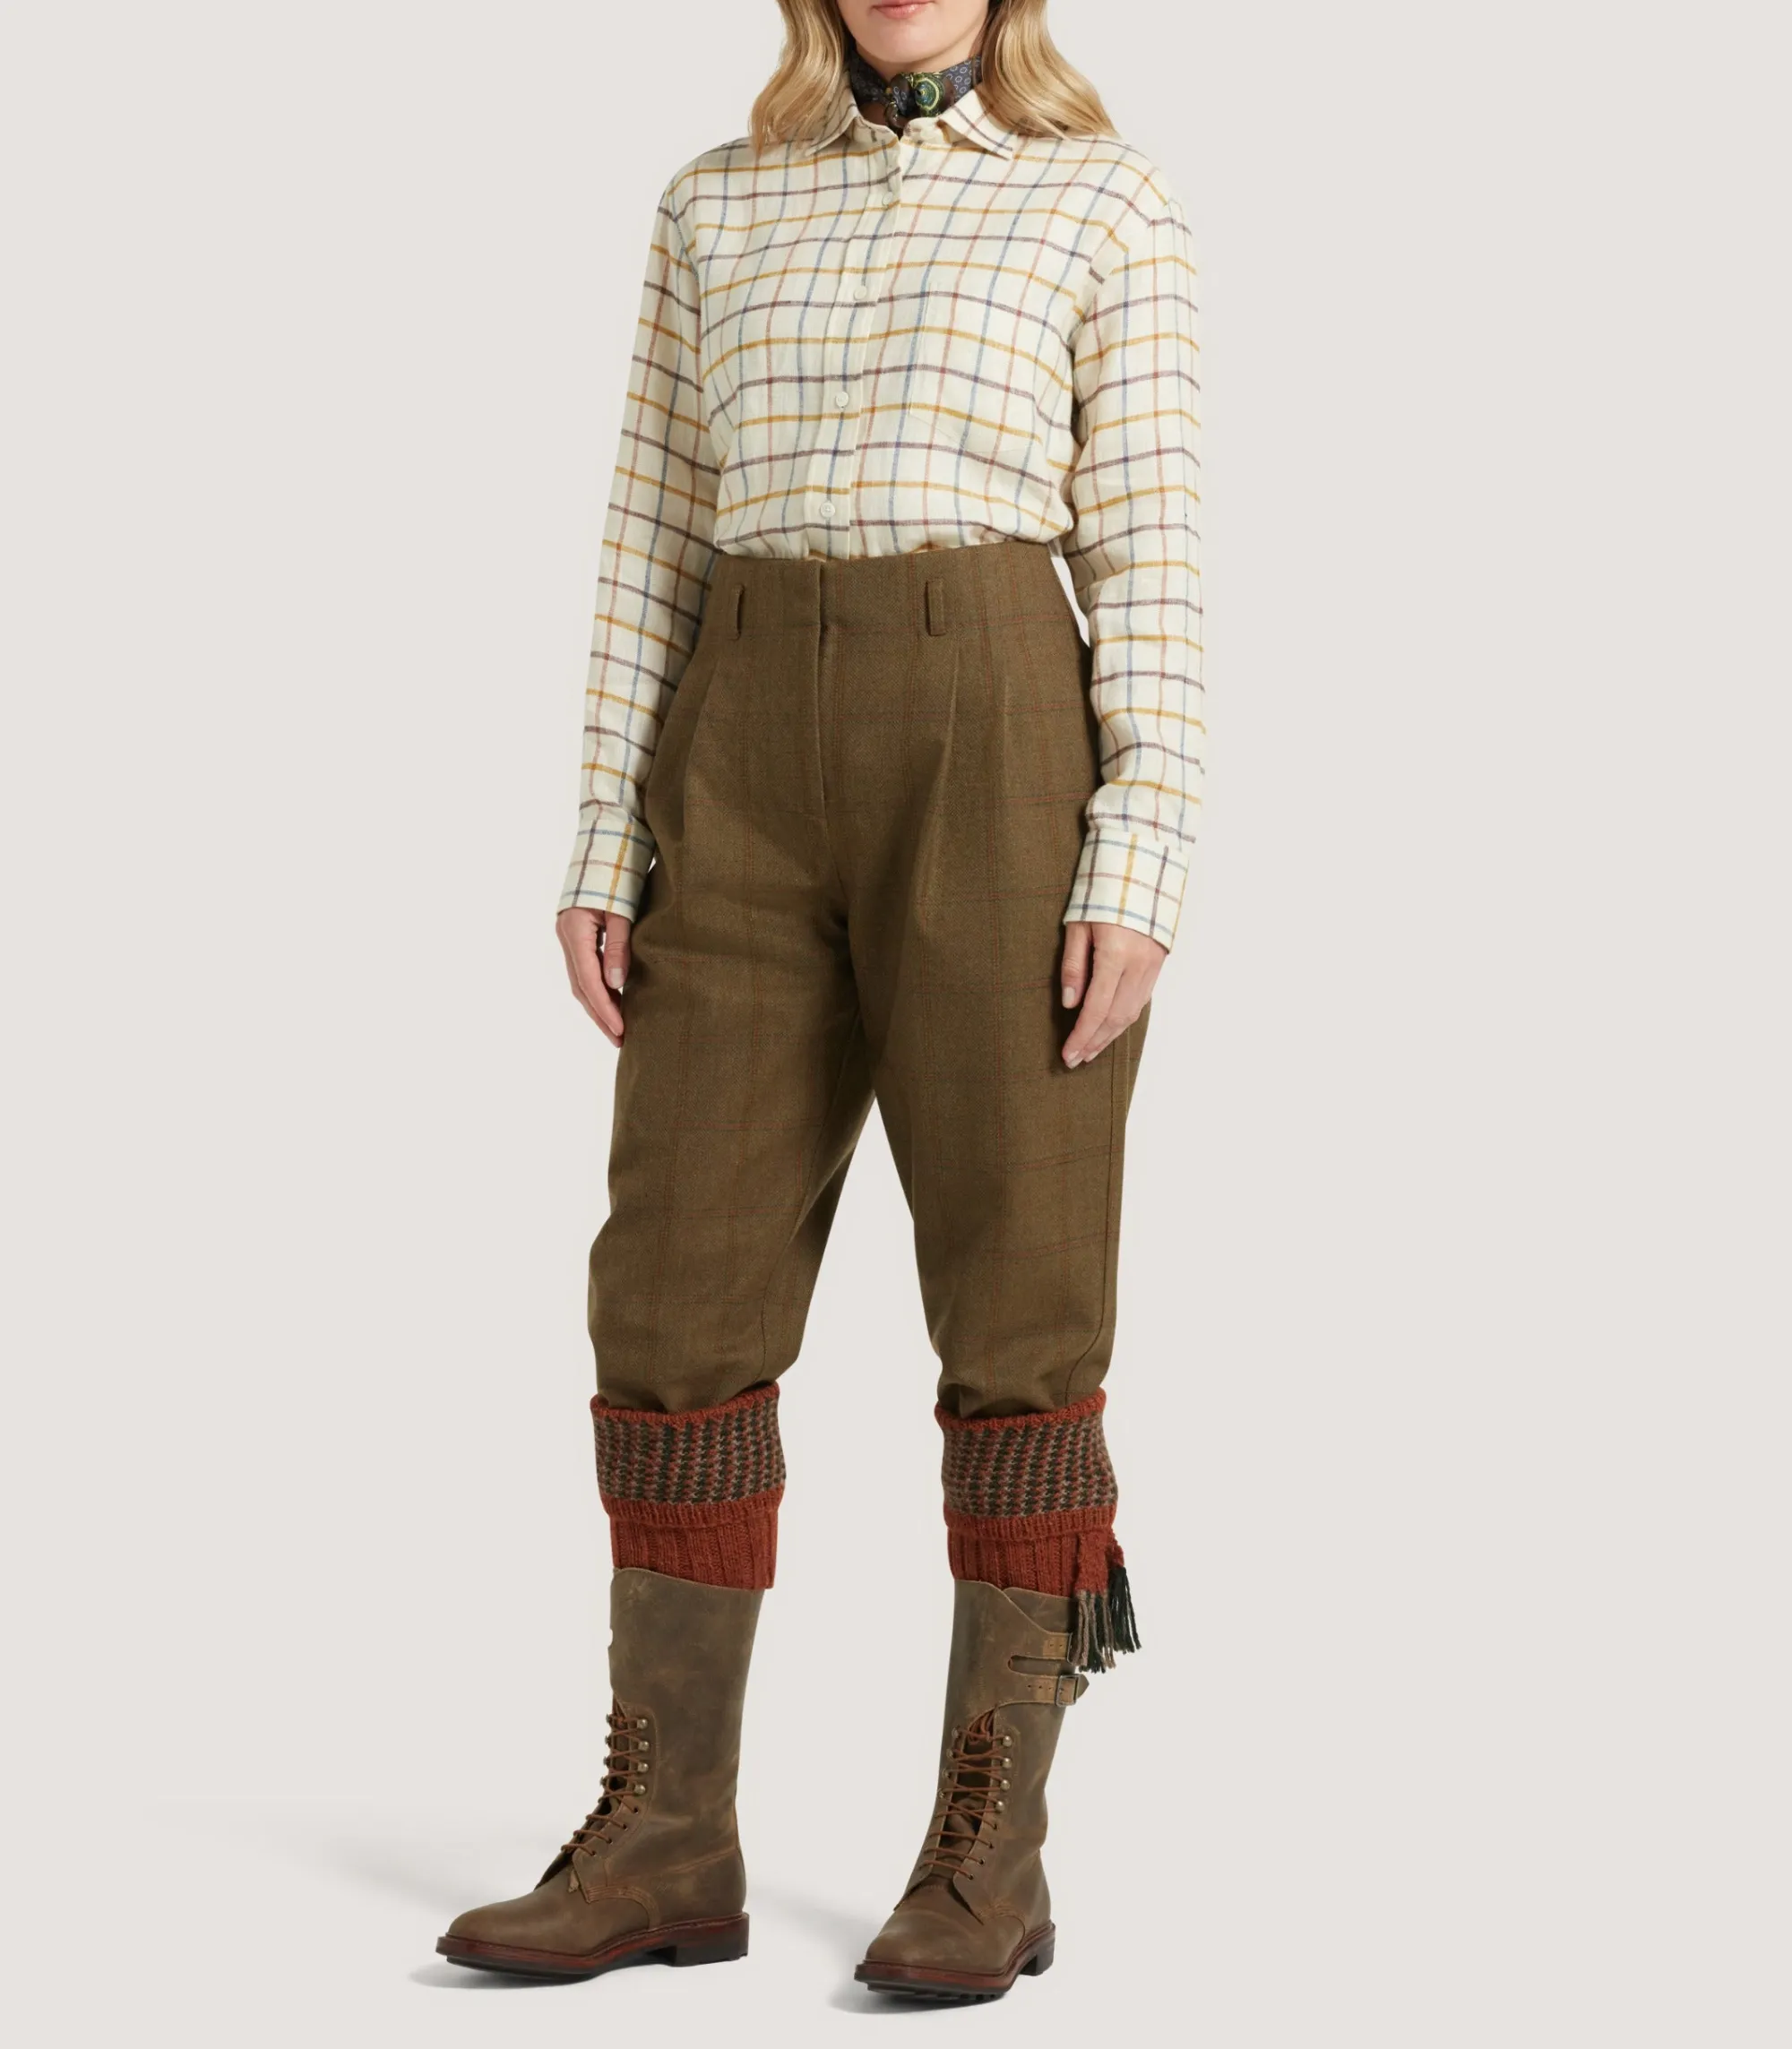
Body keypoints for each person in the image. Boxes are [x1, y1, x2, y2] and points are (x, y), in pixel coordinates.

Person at [436, 0, 1202, 2004]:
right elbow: (648, 534)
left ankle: (989, 1855)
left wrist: (1137, 854)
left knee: (1021, 1304)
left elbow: (1153, 550)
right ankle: (666, 1836)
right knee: (673, 1289)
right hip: (742, 739)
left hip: (997, 735)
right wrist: (605, 830)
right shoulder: (716, 204)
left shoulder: (1102, 201)